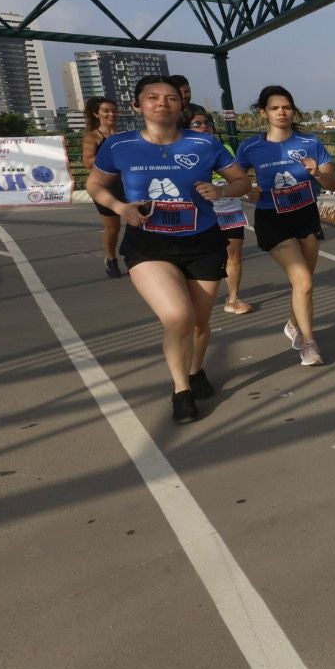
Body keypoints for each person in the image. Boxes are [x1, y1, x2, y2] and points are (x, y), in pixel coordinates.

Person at [85, 74, 251, 424]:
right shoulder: (120, 146)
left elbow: (242, 181)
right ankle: (181, 391)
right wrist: (119, 208)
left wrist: (220, 192)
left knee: (199, 324)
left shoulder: (204, 144)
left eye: (170, 98)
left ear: (180, 105)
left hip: (203, 241)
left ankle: (194, 370)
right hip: (149, 244)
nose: (162, 103)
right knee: (178, 317)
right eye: (153, 97)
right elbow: (95, 184)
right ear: (138, 105)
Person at [237, 85, 335, 366]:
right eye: (274, 107)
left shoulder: (310, 143)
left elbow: (334, 183)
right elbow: (239, 180)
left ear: (293, 110)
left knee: (304, 284)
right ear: (263, 112)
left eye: (286, 106)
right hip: (273, 218)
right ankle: (309, 343)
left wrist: (317, 172)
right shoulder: (251, 147)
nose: (282, 112)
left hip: (305, 215)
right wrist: (249, 191)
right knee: (303, 280)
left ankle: (293, 324)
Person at [187, 105, 253, 315]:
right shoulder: (180, 153)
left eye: (208, 123)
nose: (204, 127)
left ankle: (233, 298)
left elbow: (239, 178)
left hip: (229, 207)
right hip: (201, 213)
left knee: (234, 255)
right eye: (197, 124)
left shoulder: (223, 148)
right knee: (205, 258)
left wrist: (227, 190)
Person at [80, 95, 123, 278]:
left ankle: (137, 257)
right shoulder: (93, 137)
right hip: (105, 187)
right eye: (106, 111)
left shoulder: (124, 136)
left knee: (140, 224)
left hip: (128, 184)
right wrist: (114, 156)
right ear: (97, 114)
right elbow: (88, 162)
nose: (111, 114)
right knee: (113, 227)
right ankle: (111, 258)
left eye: (113, 110)